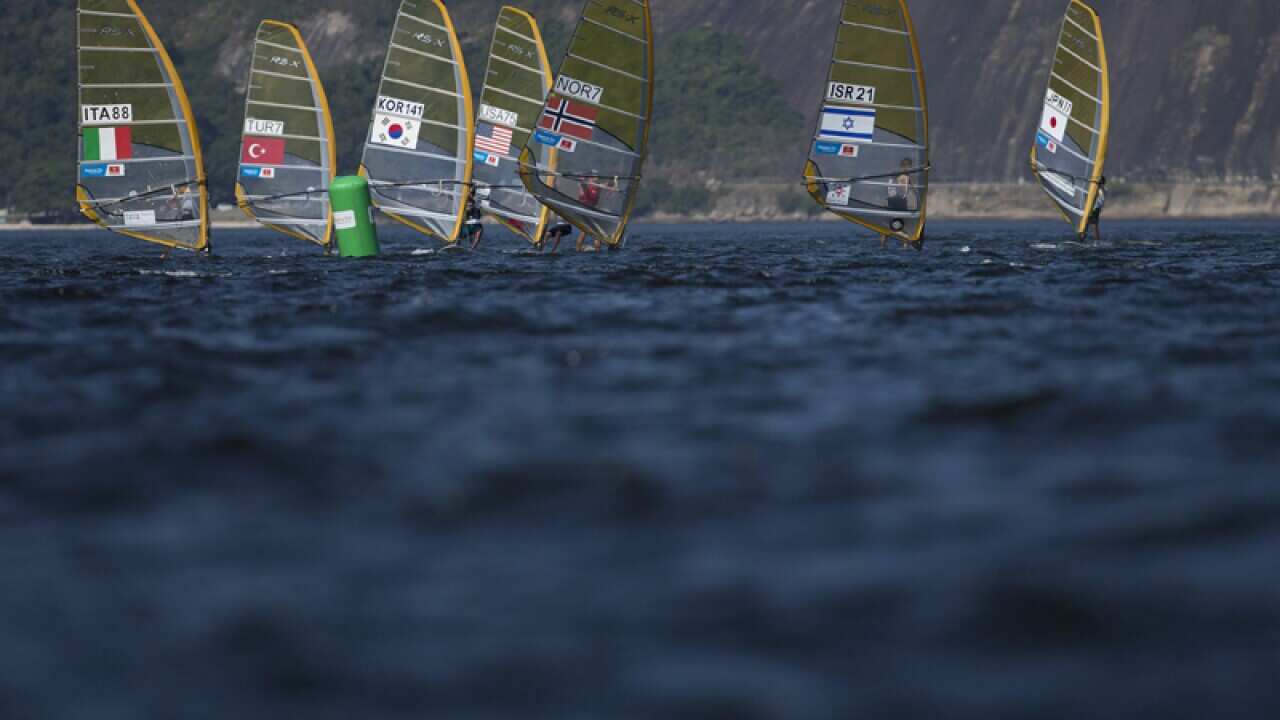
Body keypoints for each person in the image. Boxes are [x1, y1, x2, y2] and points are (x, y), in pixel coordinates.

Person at [883, 158, 915, 248]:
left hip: (894, 201)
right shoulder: (903, 176)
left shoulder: (901, 175)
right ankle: (905, 245)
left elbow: (910, 189)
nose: (910, 169)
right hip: (898, 202)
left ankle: (883, 246)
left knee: (892, 226)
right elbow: (903, 189)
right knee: (904, 226)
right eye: (909, 167)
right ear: (905, 167)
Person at [575, 173, 602, 252]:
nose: (596, 179)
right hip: (585, 210)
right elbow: (582, 185)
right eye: (594, 177)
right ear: (590, 179)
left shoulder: (598, 186)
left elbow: (607, 184)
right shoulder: (586, 186)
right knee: (585, 230)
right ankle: (578, 248)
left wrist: (613, 181)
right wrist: (582, 181)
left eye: (597, 177)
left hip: (592, 211)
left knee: (596, 231)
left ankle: (597, 249)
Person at [1087, 176, 1107, 242]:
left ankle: (1097, 240)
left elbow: (1097, 184)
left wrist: (1092, 181)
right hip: (1096, 208)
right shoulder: (1101, 188)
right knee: (1092, 223)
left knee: (1094, 224)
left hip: (1096, 208)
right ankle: (1096, 239)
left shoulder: (1101, 188)